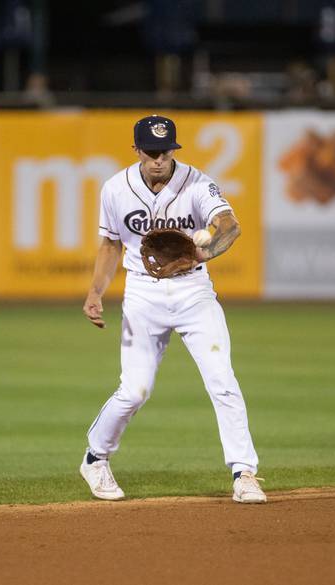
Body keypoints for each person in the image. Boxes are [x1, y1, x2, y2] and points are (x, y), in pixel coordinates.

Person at [79, 115, 266, 504]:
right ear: (136, 151)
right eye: (152, 152)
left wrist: (205, 250)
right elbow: (111, 245)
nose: (160, 159)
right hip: (143, 295)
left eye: (166, 152)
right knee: (134, 391)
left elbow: (230, 226)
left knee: (222, 379)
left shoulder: (197, 183)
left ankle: (244, 472)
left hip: (193, 291)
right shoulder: (116, 189)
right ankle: (95, 458)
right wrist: (96, 291)